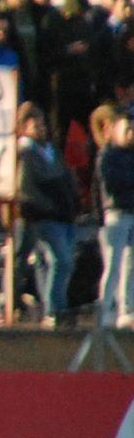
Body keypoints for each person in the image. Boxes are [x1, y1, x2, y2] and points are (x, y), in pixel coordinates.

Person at [15, 105, 79, 328]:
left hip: (64, 214)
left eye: (42, 123)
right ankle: (54, 309)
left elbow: (66, 178)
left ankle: (49, 308)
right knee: (62, 261)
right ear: (24, 127)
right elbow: (31, 188)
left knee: (47, 263)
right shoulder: (26, 154)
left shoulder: (51, 150)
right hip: (45, 216)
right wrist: (48, 207)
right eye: (36, 125)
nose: (42, 129)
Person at [96, 113, 134, 329]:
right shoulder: (107, 155)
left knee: (131, 264)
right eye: (127, 129)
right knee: (113, 264)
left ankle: (127, 309)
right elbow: (112, 185)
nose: (131, 134)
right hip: (117, 213)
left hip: (132, 211)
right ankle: (105, 308)